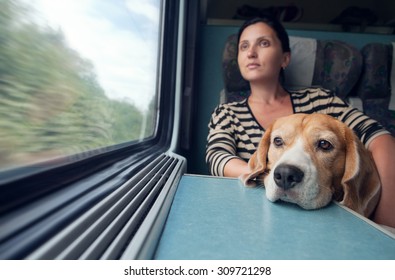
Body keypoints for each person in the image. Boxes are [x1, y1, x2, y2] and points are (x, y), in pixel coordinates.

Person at [205, 16, 395, 229]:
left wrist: (385, 225)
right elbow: (218, 158)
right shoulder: (226, 113)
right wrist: (268, 176)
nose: (251, 52)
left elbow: (378, 137)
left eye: (264, 43)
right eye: (244, 46)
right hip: (258, 220)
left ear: (285, 58)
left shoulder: (320, 99)